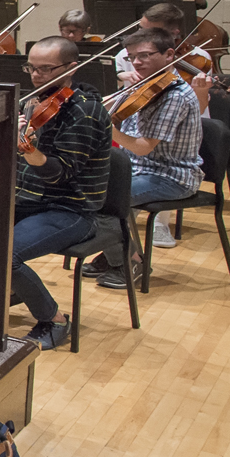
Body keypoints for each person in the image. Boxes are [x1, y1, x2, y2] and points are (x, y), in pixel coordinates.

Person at [0, 37, 110, 350]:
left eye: (46, 69)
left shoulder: (86, 113)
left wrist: (26, 148)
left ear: (72, 68)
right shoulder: (30, 102)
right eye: (32, 68)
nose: (37, 75)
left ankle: (54, 319)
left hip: (69, 209)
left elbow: (60, 174)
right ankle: (3, 283)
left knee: (0, 253)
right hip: (25, 199)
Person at [85, 29, 208, 282]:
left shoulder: (175, 96)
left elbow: (142, 147)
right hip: (138, 169)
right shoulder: (143, 85)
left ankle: (129, 262)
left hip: (171, 176)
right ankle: (113, 253)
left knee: (101, 201)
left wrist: (107, 127)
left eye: (145, 55)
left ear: (169, 55)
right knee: (79, 187)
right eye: (132, 57)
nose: (137, 62)